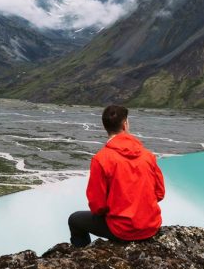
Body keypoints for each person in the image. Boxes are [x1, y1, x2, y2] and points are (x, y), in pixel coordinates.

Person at [68, 105, 165, 247]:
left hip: (122, 230)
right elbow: (160, 193)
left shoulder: (101, 159)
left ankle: (81, 254)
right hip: (151, 227)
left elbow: (98, 206)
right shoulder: (148, 155)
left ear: (105, 127)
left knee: (74, 220)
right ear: (125, 124)